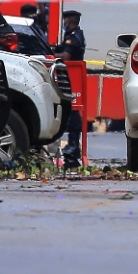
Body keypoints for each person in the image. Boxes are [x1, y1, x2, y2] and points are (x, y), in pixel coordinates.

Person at [55, 10, 86, 167]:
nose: (64, 23)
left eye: (66, 21)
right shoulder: (72, 35)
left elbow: (66, 56)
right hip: (68, 78)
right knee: (71, 111)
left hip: (72, 79)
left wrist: (54, 56)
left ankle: (73, 146)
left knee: (73, 111)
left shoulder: (74, 37)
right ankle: (72, 147)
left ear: (70, 21)